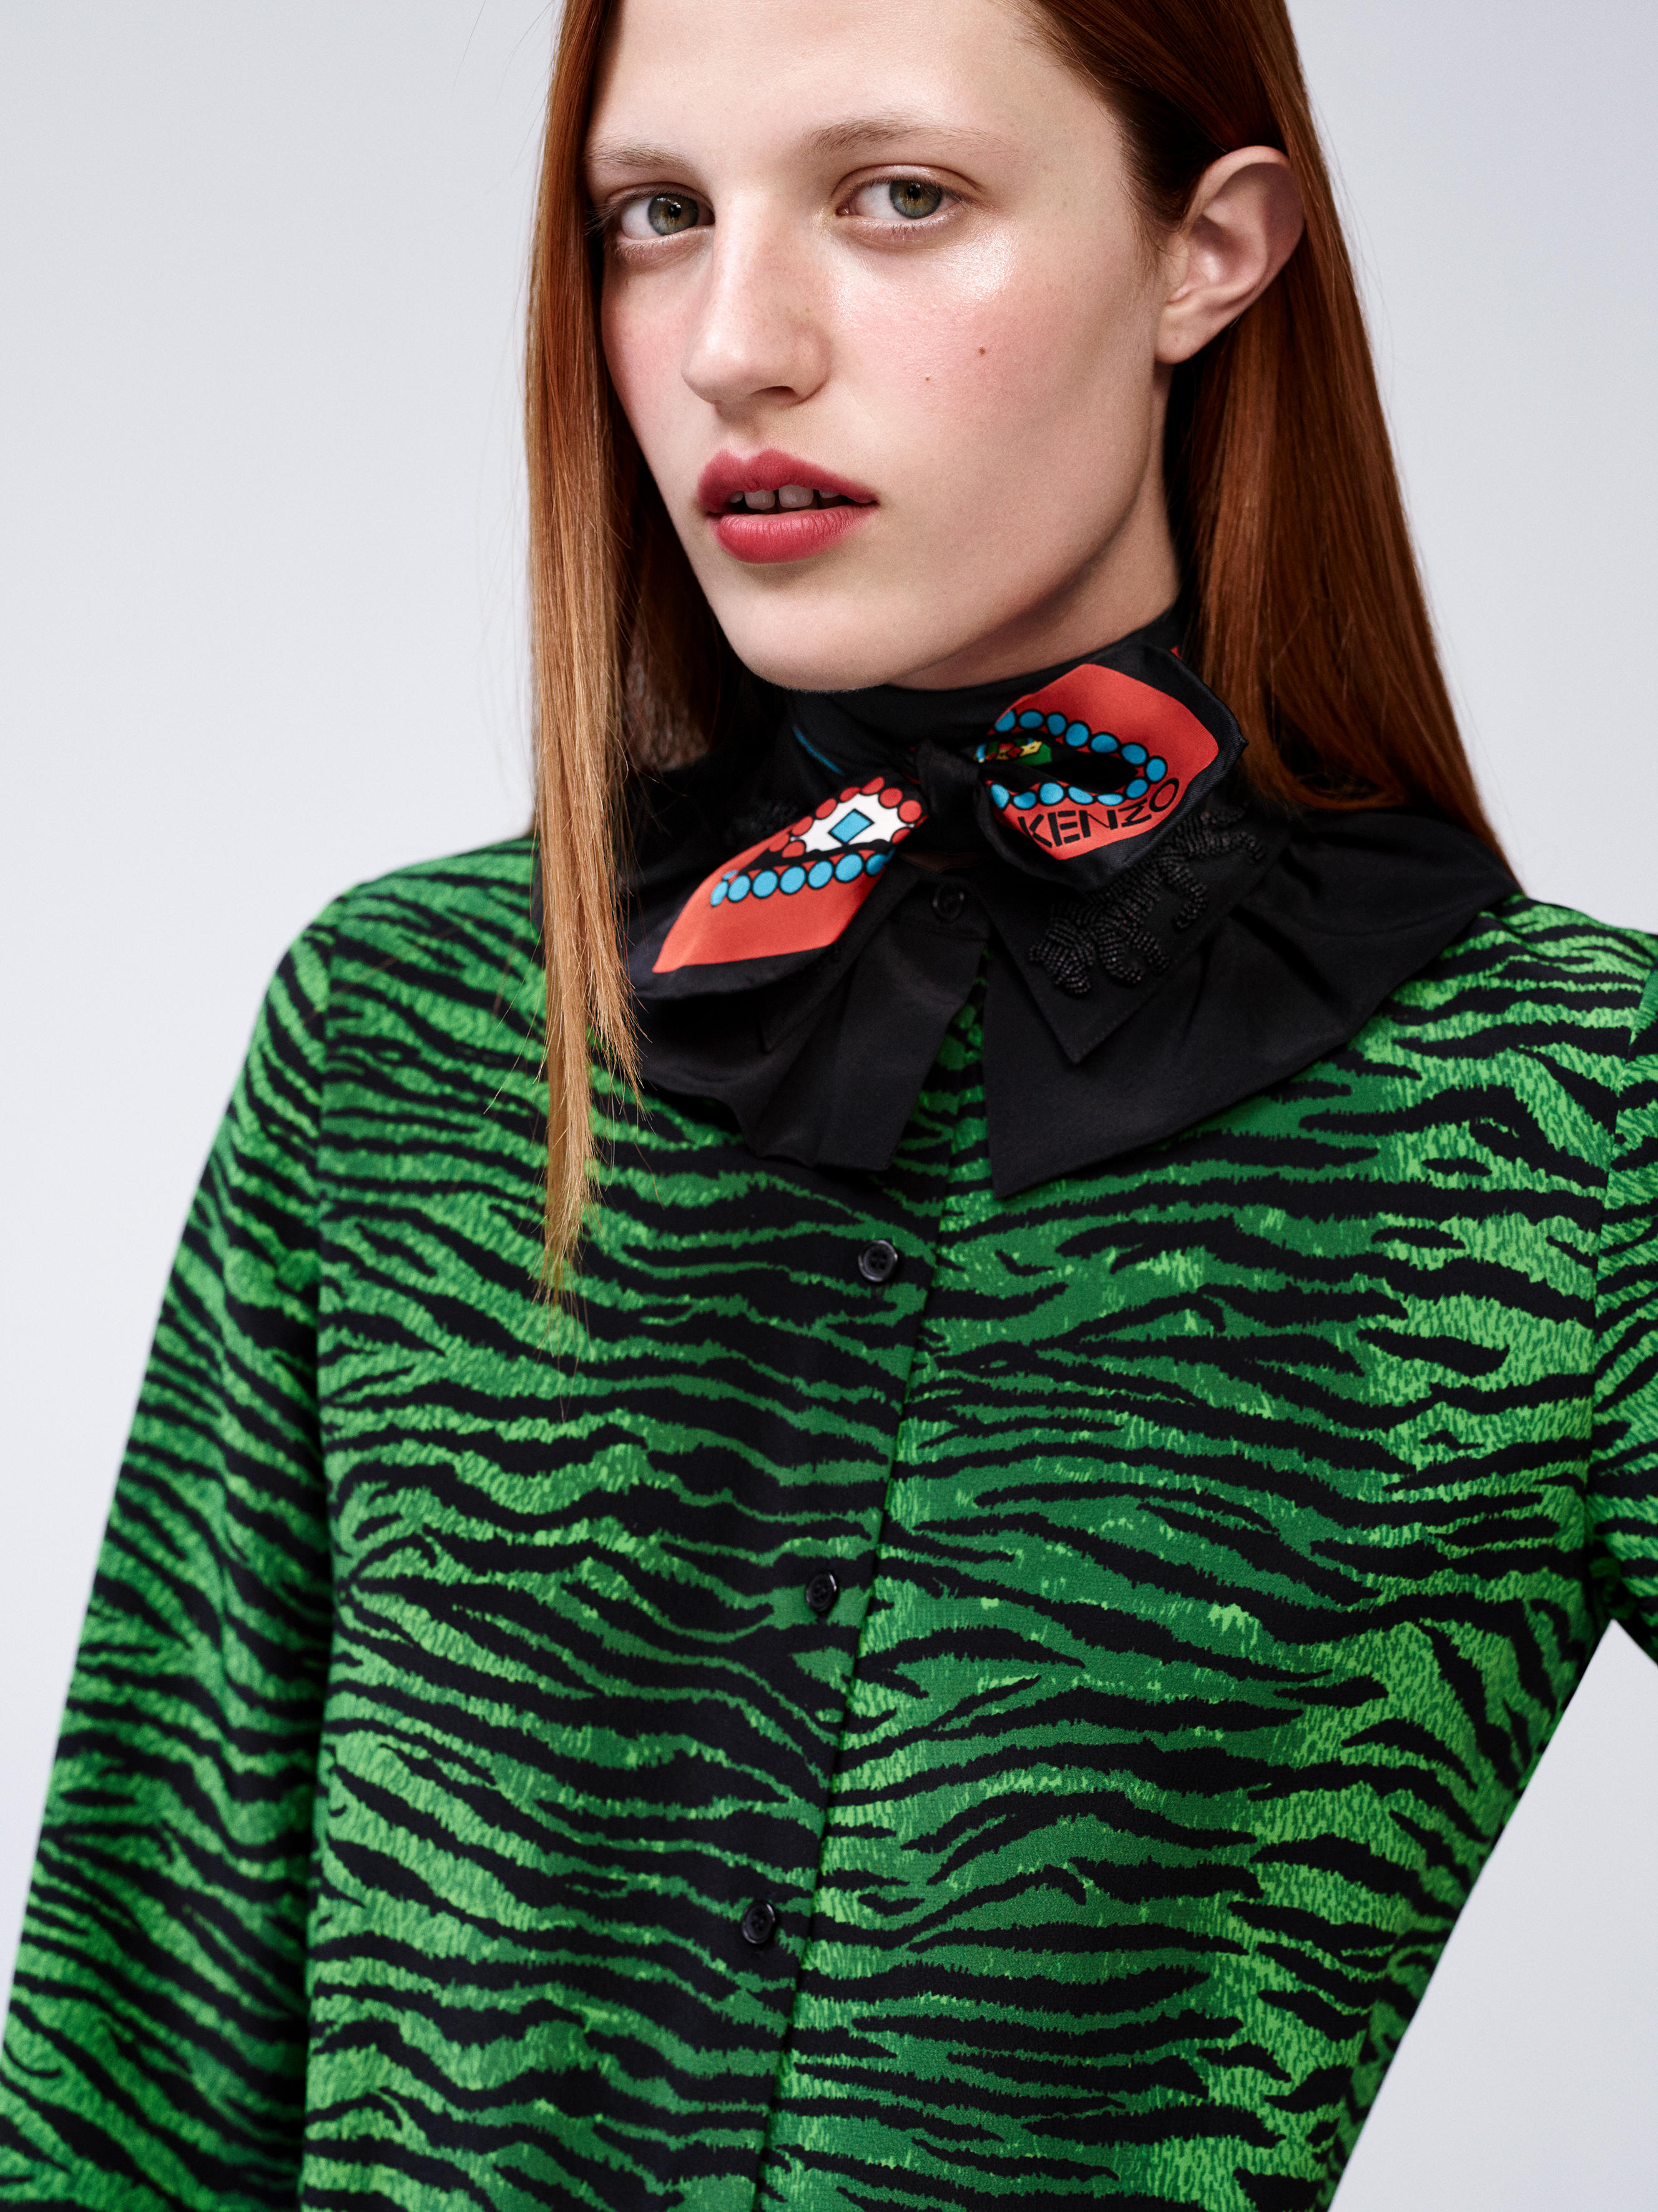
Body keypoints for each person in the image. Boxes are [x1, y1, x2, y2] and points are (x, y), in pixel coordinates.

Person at [3, 0, 1654, 2205]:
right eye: (655, 215)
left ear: (1212, 249)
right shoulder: (399, 1033)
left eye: (899, 196)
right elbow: (130, 2071)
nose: (733, 348)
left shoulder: (1560, 1114)